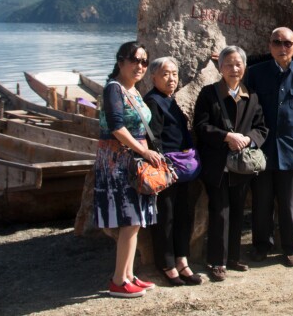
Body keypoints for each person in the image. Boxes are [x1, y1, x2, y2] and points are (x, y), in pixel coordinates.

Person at [94, 41, 163, 298]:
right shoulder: (114, 89)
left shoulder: (132, 90)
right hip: (118, 162)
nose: (140, 66)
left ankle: (128, 275)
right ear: (120, 61)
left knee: (134, 222)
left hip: (133, 162)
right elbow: (116, 127)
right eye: (135, 60)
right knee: (129, 221)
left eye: (144, 61)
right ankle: (118, 280)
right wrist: (144, 151)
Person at [193, 45, 269, 281]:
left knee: (237, 211)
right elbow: (201, 126)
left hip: (241, 165)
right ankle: (216, 261)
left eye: (238, 64)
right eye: (228, 64)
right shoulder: (208, 94)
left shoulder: (252, 97)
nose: (234, 69)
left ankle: (233, 257)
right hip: (217, 164)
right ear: (220, 67)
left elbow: (262, 128)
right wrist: (226, 136)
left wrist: (248, 139)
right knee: (220, 211)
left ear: (244, 68)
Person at [246, 27, 293, 267]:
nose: (282, 47)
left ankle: (291, 247)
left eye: (287, 43)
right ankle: (261, 246)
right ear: (270, 46)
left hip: (292, 149)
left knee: (290, 204)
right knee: (261, 202)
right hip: (262, 150)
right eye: (277, 42)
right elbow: (248, 113)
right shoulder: (256, 74)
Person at [143, 57, 203, 287]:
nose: (172, 79)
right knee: (165, 216)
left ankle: (182, 259)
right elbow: (152, 137)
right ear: (154, 77)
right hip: (165, 168)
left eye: (175, 74)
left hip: (182, 167)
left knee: (183, 214)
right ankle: (166, 264)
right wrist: (165, 162)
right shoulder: (153, 101)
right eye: (166, 74)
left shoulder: (171, 100)